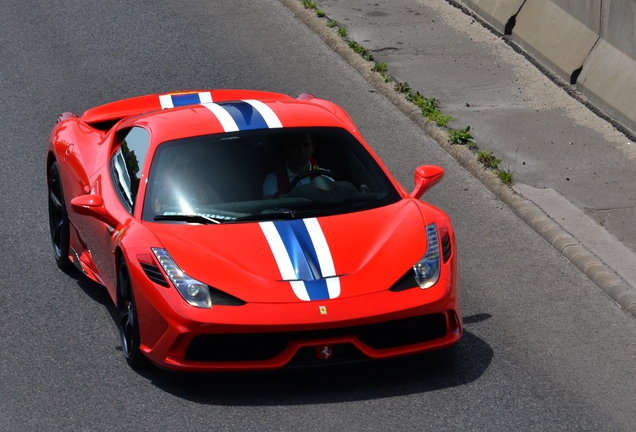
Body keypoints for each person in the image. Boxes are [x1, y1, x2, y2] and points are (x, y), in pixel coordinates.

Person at [153, 150, 221, 213]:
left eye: (189, 166)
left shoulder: (206, 190)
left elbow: (222, 209)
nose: (185, 170)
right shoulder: (162, 195)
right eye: (179, 166)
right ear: (171, 167)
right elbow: (157, 217)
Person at [263, 133, 322, 198]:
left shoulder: (325, 177)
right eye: (295, 145)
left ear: (313, 148)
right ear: (286, 148)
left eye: (306, 144)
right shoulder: (273, 179)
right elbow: (271, 204)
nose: (301, 150)